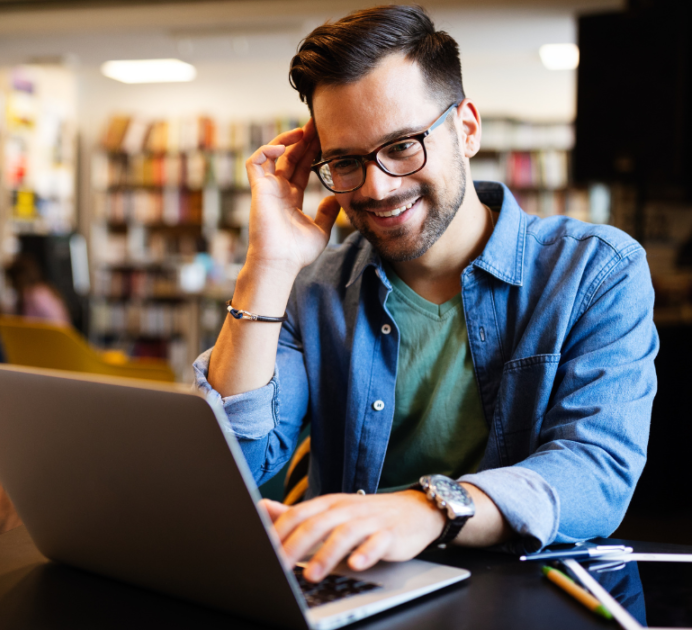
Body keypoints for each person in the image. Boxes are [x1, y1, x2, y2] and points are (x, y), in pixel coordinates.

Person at [193, 5, 658, 583]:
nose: (378, 186)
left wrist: (430, 508)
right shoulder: (309, 288)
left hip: (520, 594)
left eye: (403, 145)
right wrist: (266, 264)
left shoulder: (594, 270)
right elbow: (231, 461)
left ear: (466, 129)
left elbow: (596, 472)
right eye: (345, 162)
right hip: (348, 590)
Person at [4, 252, 71, 326]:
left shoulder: (35, 295)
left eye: (12, 282)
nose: (12, 286)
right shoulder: (43, 290)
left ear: (19, 279)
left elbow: (58, 324)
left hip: (52, 336)